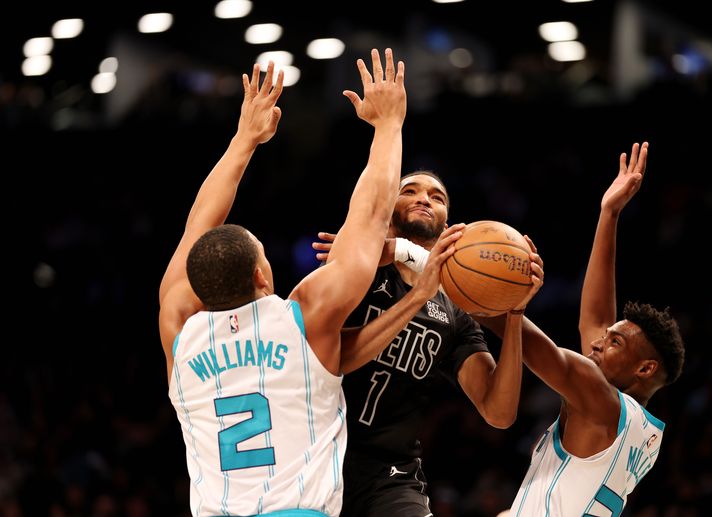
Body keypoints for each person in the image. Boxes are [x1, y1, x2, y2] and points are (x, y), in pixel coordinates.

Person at [158, 49, 407, 517]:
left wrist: (243, 140)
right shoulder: (304, 316)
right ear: (260, 273)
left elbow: (197, 228)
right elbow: (372, 218)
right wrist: (389, 124)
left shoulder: (179, 331)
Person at [313, 171, 544, 516]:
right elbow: (337, 357)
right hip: (319, 456)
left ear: (448, 226)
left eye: (436, 197)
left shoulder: (455, 312)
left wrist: (515, 312)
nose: (424, 198)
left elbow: (499, 412)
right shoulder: (357, 271)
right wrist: (407, 271)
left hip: (390, 474)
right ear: (390, 213)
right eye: (410, 191)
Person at [478, 142, 686, 515]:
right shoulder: (637, 430)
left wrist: (447, 277)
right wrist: (609, 214)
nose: (598, 342)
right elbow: (595, 322)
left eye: (614, 342)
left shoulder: (600, 399)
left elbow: (533, 346)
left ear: (645, 368)